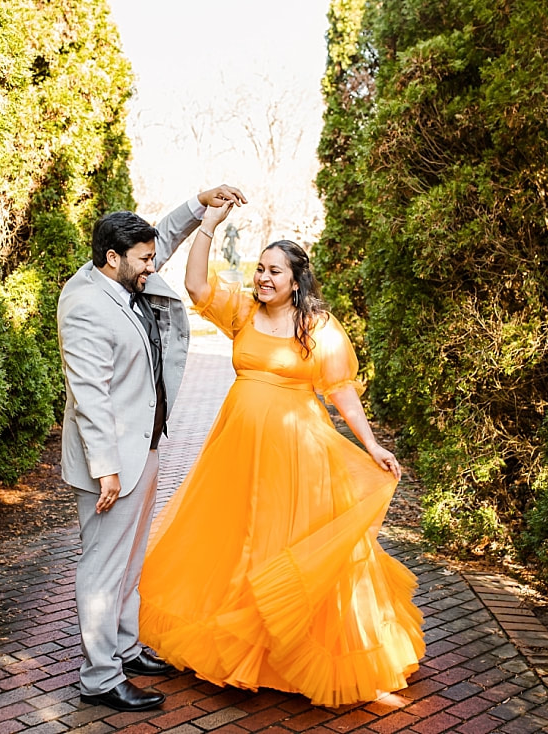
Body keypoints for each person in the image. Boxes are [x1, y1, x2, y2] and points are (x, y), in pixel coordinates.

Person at [138, 201, 425, 707]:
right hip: (236, 451)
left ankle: (290, 654)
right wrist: (208, 225)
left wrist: (372, 444)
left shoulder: (317, 327)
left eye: (275, 271)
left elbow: (342, 392)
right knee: (236, 536)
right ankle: (237, 645)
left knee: (286, 539)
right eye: (260, 269)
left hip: (298, 453)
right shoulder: (244, 312)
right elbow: (198, 286)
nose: (263, 278)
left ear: (296, 280)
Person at [57, 185, 248, 712]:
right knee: (103, 567)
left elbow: (160, 237)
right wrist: (106, 469)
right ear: (112, 258)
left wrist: (199, 204)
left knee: (130, 559)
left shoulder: (120, 274)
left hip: (144, 446)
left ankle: (124, 646)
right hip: (112, 462)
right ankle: (99, 679)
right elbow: (89, 395)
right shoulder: (85, 306)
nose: (152, 264)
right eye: (144, 259)